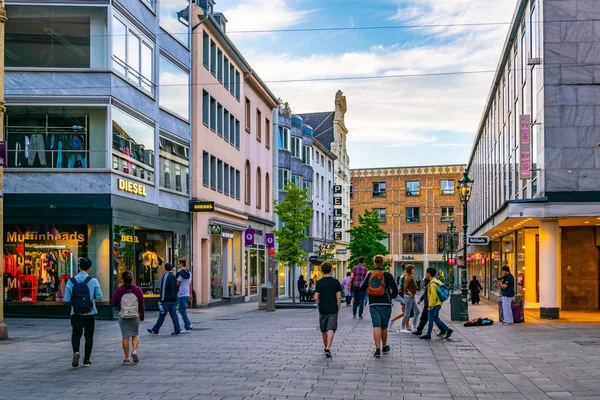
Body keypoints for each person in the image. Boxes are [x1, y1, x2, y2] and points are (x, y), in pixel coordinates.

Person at [65, 257, 103, 368]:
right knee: (89, 336)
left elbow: (67, 299)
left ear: (79, 267)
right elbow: (99, 297)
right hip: (90, 313)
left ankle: (76, 351)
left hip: (75, 313)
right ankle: (87, 360)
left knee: (76, 334)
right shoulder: (93, 281)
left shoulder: (71, 281)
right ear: (89, 268)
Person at [360, 255, 398, 357]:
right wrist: (391, 297)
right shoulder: (387, 275)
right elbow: (395, 289)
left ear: (374, 263)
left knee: (376, 326)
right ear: (382, 263)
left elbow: (362, 288)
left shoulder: (370, 274)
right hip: (385, 303)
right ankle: (384, 346)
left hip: (373, 303)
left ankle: (377, 349)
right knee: (384, 327)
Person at [111, 271, 145, 364]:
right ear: (132, 278)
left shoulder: (119, 290)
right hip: (134, 315)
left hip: (123, 315)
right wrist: (142, 315)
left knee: (125, 336)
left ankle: (126, 357)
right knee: (135, 334)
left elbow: (113, 303)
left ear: (122, 279)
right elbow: (141, 304)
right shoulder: (137, 290)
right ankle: (134, 351)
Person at [314, 262, 343, 358]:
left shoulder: (319, 282)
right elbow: (339, 296)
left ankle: (325, 346)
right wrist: (338, 307)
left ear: (322, 270)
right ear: (331, 269)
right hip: (332, 308)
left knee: (323, 329)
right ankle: (328, 347)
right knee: (331, 328)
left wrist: (319, 304)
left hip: (323, 308)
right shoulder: (335, 282)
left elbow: (316, 297)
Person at [147, 263, 182, 336]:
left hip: (166, 300)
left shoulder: (166, 276)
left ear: (165, 268)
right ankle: (177, 330)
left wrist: (161, 300)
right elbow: (176, 288)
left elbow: (163, 289)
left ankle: (155, 330)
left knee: (162, 315)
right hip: (173, 299)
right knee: (174, 316)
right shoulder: (173, 276)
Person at [420, 267, 453, 340]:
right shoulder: (436, 281)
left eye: (426, 273)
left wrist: (430, 305)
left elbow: (433, 295)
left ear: (429, 274)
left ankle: (428, 335)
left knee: (431, 319)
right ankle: (448, 330)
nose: (425, 274)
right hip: (438, 303)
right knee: (436, 319)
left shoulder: (432, 284)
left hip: (434, 304)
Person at [400, 265, 420, 333]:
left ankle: (413, 325)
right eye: (413, 269)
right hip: (409, 297)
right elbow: (405, 287)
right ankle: (403, 327)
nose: (414, 270)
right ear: (410, 270)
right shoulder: (409, 277)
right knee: (407, 313)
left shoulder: (410, 277)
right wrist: (410, 293)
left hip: (411, 297)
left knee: (417, 311)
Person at [176, 260, 193, 333]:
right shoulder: (189, 273)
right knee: (182, 310)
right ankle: (188, 323)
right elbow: (190, 284)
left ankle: (187, 327)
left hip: (181, 293)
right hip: (187, 293)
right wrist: (191, 294)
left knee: (182, 311)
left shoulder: (179, 273)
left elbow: (178, 283)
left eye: (178, 264)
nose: (177, 265)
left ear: (181, 264)